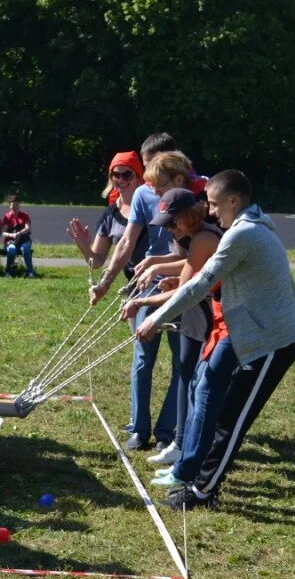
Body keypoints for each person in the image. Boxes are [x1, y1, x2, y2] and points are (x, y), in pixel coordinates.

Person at [136, 170, 295, 510]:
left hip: (272, 341)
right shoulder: (247, 229)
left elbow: (200, 283)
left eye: (213, 204)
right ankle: (198, 481)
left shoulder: (242, 234)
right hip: (254, 334)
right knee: (222, 408)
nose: (210, 212)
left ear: (233, 200)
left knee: (232, 421)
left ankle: (200, 492)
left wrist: (155, 316)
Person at [87, 134, 183, 451]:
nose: (147, 177)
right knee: (143, 358)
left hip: (185, 284)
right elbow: (127, 242)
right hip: (148, 283)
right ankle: (139, 429)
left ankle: (168, 431)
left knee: (183, 363)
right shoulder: (143, 194)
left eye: (152, 167)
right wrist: (105, 282)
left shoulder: (198, 191)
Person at [119, 188, 222, 479]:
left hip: (207, 318)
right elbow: (189, 272)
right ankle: (180, 442)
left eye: (172, 221)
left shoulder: (204, 238)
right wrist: (165, 271)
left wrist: (140, 302)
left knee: (196, 384)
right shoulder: (192, 236)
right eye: (165, 223)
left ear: (190, 214)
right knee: (186, 376)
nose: (169, 228)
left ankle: (190, 447)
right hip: (194, 315)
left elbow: (185, 292)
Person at [67, 151, 148, 283]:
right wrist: (85, 247)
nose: (121, 180)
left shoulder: (150, 207)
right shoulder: (110, 215)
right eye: (116, 175)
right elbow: (97, 261)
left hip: (158, 280)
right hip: (133, 285)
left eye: (127, 175)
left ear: (138, 177)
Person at [1, 195, 35, 278]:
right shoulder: (7, 217)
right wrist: (11, 235)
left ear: (19, 205)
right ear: (9, 205)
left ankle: (30, 272)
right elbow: (3, 232)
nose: (15, 206)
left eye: (17, 204)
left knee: (26, 249)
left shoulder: (25, 215)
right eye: (13, 204)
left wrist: (19, 233)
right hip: (10, 241)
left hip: (24, 240)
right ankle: (8, 272)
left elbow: (28, 228)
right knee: (12, 250)